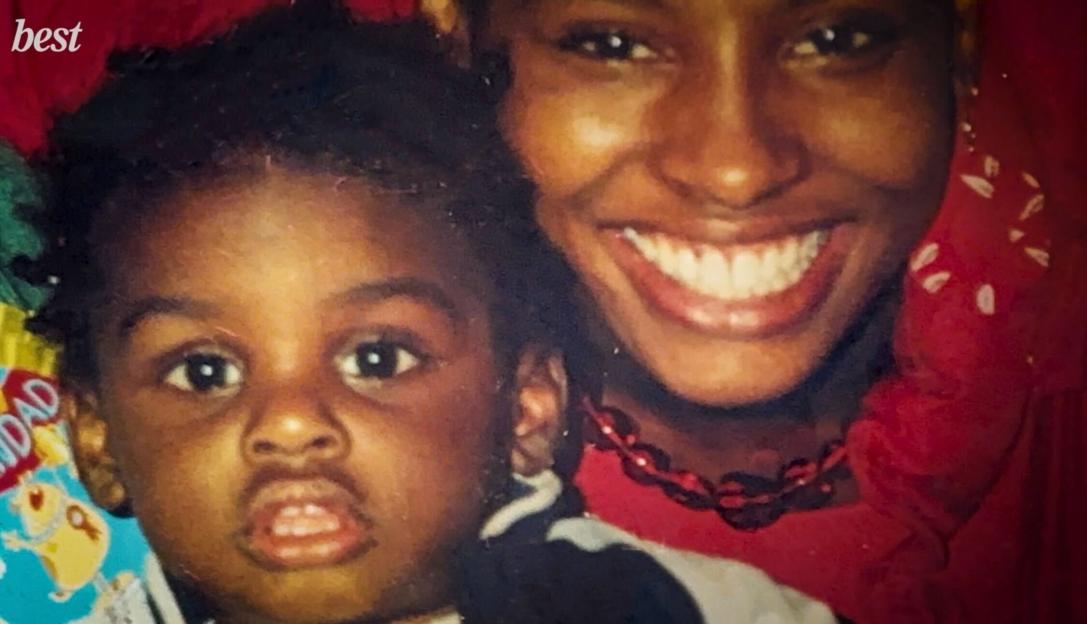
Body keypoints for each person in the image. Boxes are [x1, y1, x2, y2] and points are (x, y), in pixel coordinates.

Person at [23, 5, 839, 623]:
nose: (290, 424)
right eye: (205, 371)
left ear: (525, 408)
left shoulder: (662, 606)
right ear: (96, 439)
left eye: (375, 359)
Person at [414, 0, 1086, 621]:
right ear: (457, 36)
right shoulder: (390, 455)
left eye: (835, 39)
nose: (737, 171)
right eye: (612, 44)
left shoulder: (1054, 408)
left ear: (959, 39)